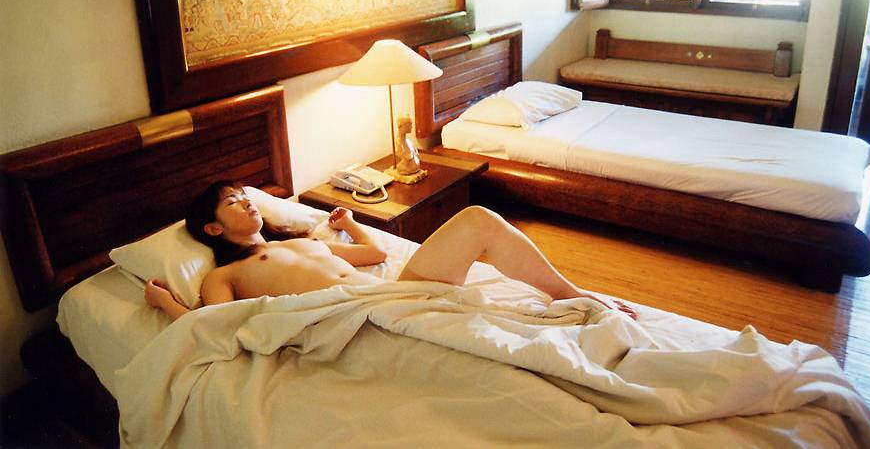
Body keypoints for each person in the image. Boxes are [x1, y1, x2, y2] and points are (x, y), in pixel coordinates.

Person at [144, 180, 637, 321]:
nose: (248, 202)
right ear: (213, 228)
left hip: (389, 295)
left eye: (246, 196)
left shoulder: (301, 241)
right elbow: (212, 325)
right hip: (358, 317)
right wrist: (166, 303)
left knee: (479, 219)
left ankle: (571, 294)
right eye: (234, 202)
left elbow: (375, 257)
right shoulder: (223, 276)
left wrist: (351, 225)